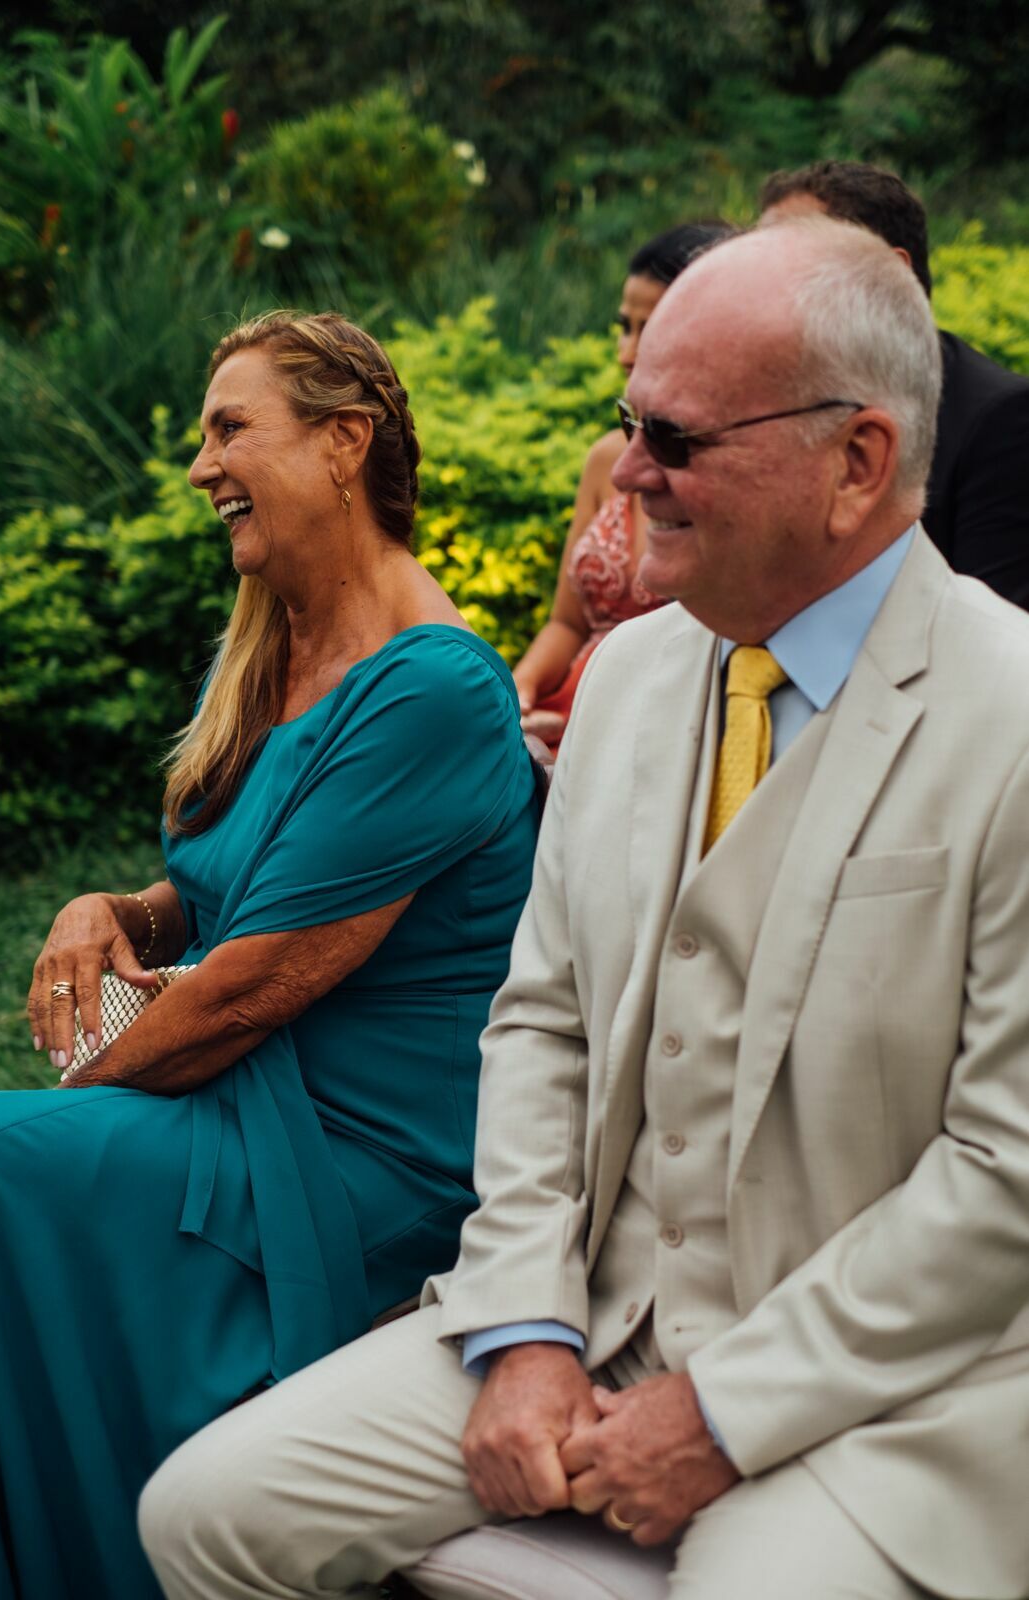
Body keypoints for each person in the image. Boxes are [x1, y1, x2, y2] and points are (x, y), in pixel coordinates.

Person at [142, 218, 1029, 1600]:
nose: (625, 474)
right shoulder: (624, 682)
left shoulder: (1011, 709)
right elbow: (540, 1026)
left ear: (853, 463)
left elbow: (1004, 1169)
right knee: (203, 1515)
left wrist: (724, 1407)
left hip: (891, 1393)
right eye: (628, 425)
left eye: (673, 440)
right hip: (595, 1323)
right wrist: (522, 1329)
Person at [0, 311, 539, 1600]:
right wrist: (112, 913)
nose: (198, 466)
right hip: (249, 1097)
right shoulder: (271, 647)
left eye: (230, 428)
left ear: (344, 444)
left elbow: (244, 991)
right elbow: (222, 890)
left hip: (351, 1155)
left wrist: (79, 1089)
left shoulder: (433, 687)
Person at [760, 158, 1029, 609]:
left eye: (789, 265)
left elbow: (1000, 634)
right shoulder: (768, 406)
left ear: (892, 274)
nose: (753, 290)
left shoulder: (1000, 419)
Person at [514, 223, 732, 752]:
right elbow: (567, 623)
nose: (626, 353)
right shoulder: (607, 460)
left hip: (668, 729)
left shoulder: (725, 469)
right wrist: (518, 691)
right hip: (570, 711)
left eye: (649, 329)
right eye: (624, 327)